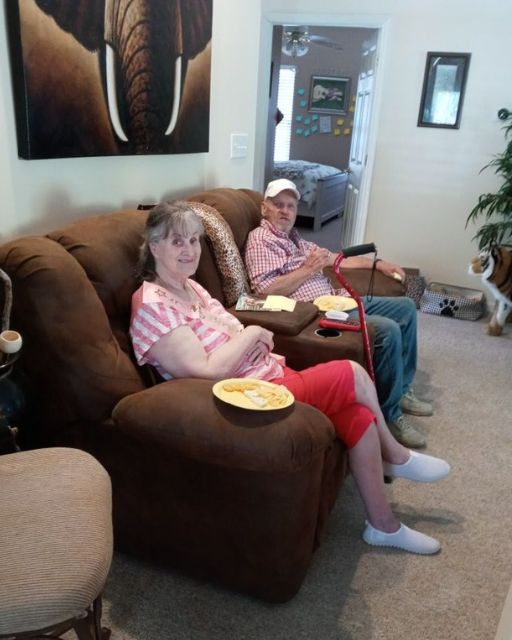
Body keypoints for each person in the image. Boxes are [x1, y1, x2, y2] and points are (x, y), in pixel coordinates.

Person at [130, 201, 450, 555]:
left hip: (266, 374)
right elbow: (205, 370)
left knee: (358, 416)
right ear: (154, 247)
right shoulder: (152, 306)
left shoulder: (193, 289)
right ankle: (395, 454)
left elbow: (231, 331)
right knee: (352, 373)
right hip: (248, 396)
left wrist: (253, 342)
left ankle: (383, 526)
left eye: (193, 240)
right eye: (177, 241)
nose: (190, 250)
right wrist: (253, 334)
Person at [244, 178, 431, 449]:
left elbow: (337, 259)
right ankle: (390, 415)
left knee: (404, 308)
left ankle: (402, 390)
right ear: (264, 208)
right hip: (315, 313)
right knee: (387, 330)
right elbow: (265, 290)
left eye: (291, 206)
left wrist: (379, 265)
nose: (285, 211)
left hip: (337, 300)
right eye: (278, 205)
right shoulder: (261, 239)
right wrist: (308, 269)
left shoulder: (296, 239)